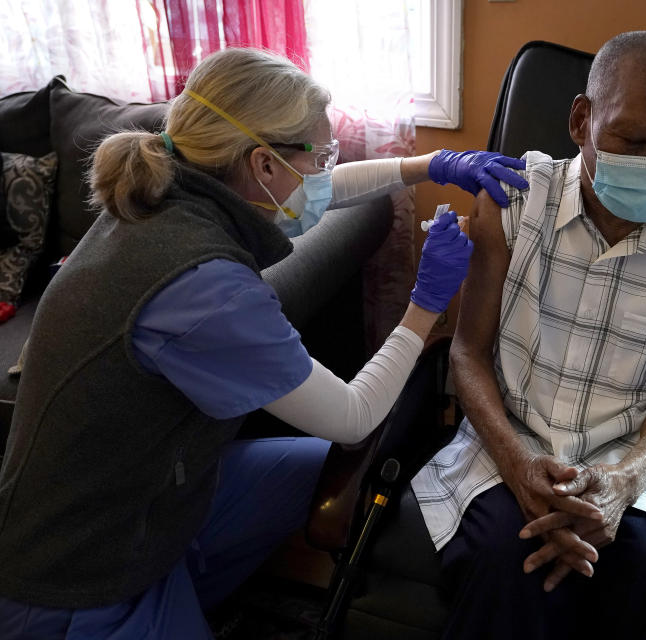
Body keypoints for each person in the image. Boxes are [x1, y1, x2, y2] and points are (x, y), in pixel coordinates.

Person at [0, 47, 527, 639]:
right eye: (320, 153)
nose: (327, 169)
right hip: (76, 574)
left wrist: (429, 165)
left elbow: (319, 190)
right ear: (263, 164)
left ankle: (187, 594)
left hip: (157, 486)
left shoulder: (161, 184)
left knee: (324, 470)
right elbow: (352, 415)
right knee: (352, 443)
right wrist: (426, 304)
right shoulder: (202, 287)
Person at [411, 31, 646, 639]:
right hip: (510, 436)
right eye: (634, 139)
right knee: (508, 563)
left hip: (639, 457)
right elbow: (468, 352)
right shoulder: (513, 204)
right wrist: (517, 464)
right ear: (581, 120)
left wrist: (625, 483)